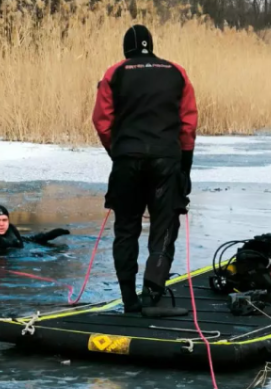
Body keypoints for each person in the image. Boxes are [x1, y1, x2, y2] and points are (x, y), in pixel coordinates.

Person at [91, 24, 198, 314]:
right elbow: (188, 123)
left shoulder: (114, 73)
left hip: (127, 160)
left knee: (126, 228)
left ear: (126, 49)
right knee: (165, 223)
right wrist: (184, 167)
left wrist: (118, 152)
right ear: (151, 44)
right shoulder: (177, 72)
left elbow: (101, 121)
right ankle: (154, 288)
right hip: (166, 160)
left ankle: (129, 300)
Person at [0, 204, 70, 257]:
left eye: (4, 220)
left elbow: (26, 241)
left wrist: (47, 236)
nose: (1, 224)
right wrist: (34, 255)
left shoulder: (10, 229)